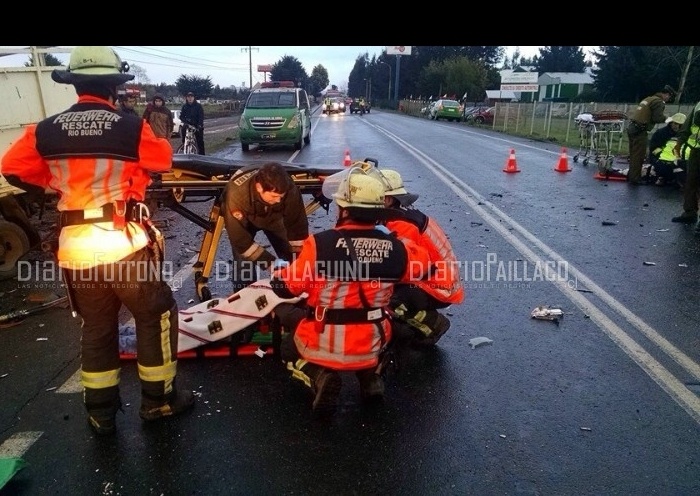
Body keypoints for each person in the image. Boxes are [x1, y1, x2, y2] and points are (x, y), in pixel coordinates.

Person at [0, 46, 194, 436]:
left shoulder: (45, 128)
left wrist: (54, 185)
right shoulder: (127, 126)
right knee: (154, 314)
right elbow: (161, 162)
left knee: (97, 326)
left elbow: (12, 169)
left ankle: (100, 413)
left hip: (75, 247)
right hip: (122, 243)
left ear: (74, 85)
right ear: (114, 87)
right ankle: (158, 402)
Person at [269, 166, 431, 416]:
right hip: (372, 340)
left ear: (343, 208)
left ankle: (319, 377)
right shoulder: (397, 248)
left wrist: (279, 275)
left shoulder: (319, 244)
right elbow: (421, 267)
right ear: (380, 212)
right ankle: (372, 378)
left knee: (288, 350)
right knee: (382, 330)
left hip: (323, 338)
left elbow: (291, 287)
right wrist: (394, 239)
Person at [370, 168, 464, 347]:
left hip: (437, 284)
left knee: (384, 296)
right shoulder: (401, 216)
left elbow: (399, 266)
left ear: (388, 200)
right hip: (431, 277)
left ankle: (433, 324)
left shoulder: (402, 225)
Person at [221, 162, 309, 292]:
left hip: (273, 217)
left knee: (294, 258)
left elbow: (297, 226)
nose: (279, 200)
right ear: (259, 187)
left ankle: (294, 293)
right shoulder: (237, 195)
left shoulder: (289, 188)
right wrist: (269, 263)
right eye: (274, 196)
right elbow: (240, 241)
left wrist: (298, 262)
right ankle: (246, 295)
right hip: (244, 220)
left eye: (281, 197)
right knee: (244, 264)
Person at [626, 85, 676, 185]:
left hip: (632, 128)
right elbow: (657, 118)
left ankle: (631, 176)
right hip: (640, 130)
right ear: (666, 94)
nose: (668, 99)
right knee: (638, 156)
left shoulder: (649, 99)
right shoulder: (659, 102)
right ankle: (635, 179)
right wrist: (669, 119)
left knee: (633, 154)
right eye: (669, 97)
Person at [671, 100, 700, 225]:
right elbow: (688, 126)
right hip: (696, 150)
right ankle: (690, 212)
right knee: (691, 181)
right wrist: (679, 143)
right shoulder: (699, 105)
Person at [648, 113, 686, 186]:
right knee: (663, 167)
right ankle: (662, 177)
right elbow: (654, 148)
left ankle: (679, 180)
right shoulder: (661, 133)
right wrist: (662, 156)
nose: (676, 126)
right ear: (671, 123)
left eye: (679, 124)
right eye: (675, 123)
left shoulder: (684, 134)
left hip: (678, 158)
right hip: (661, 158)